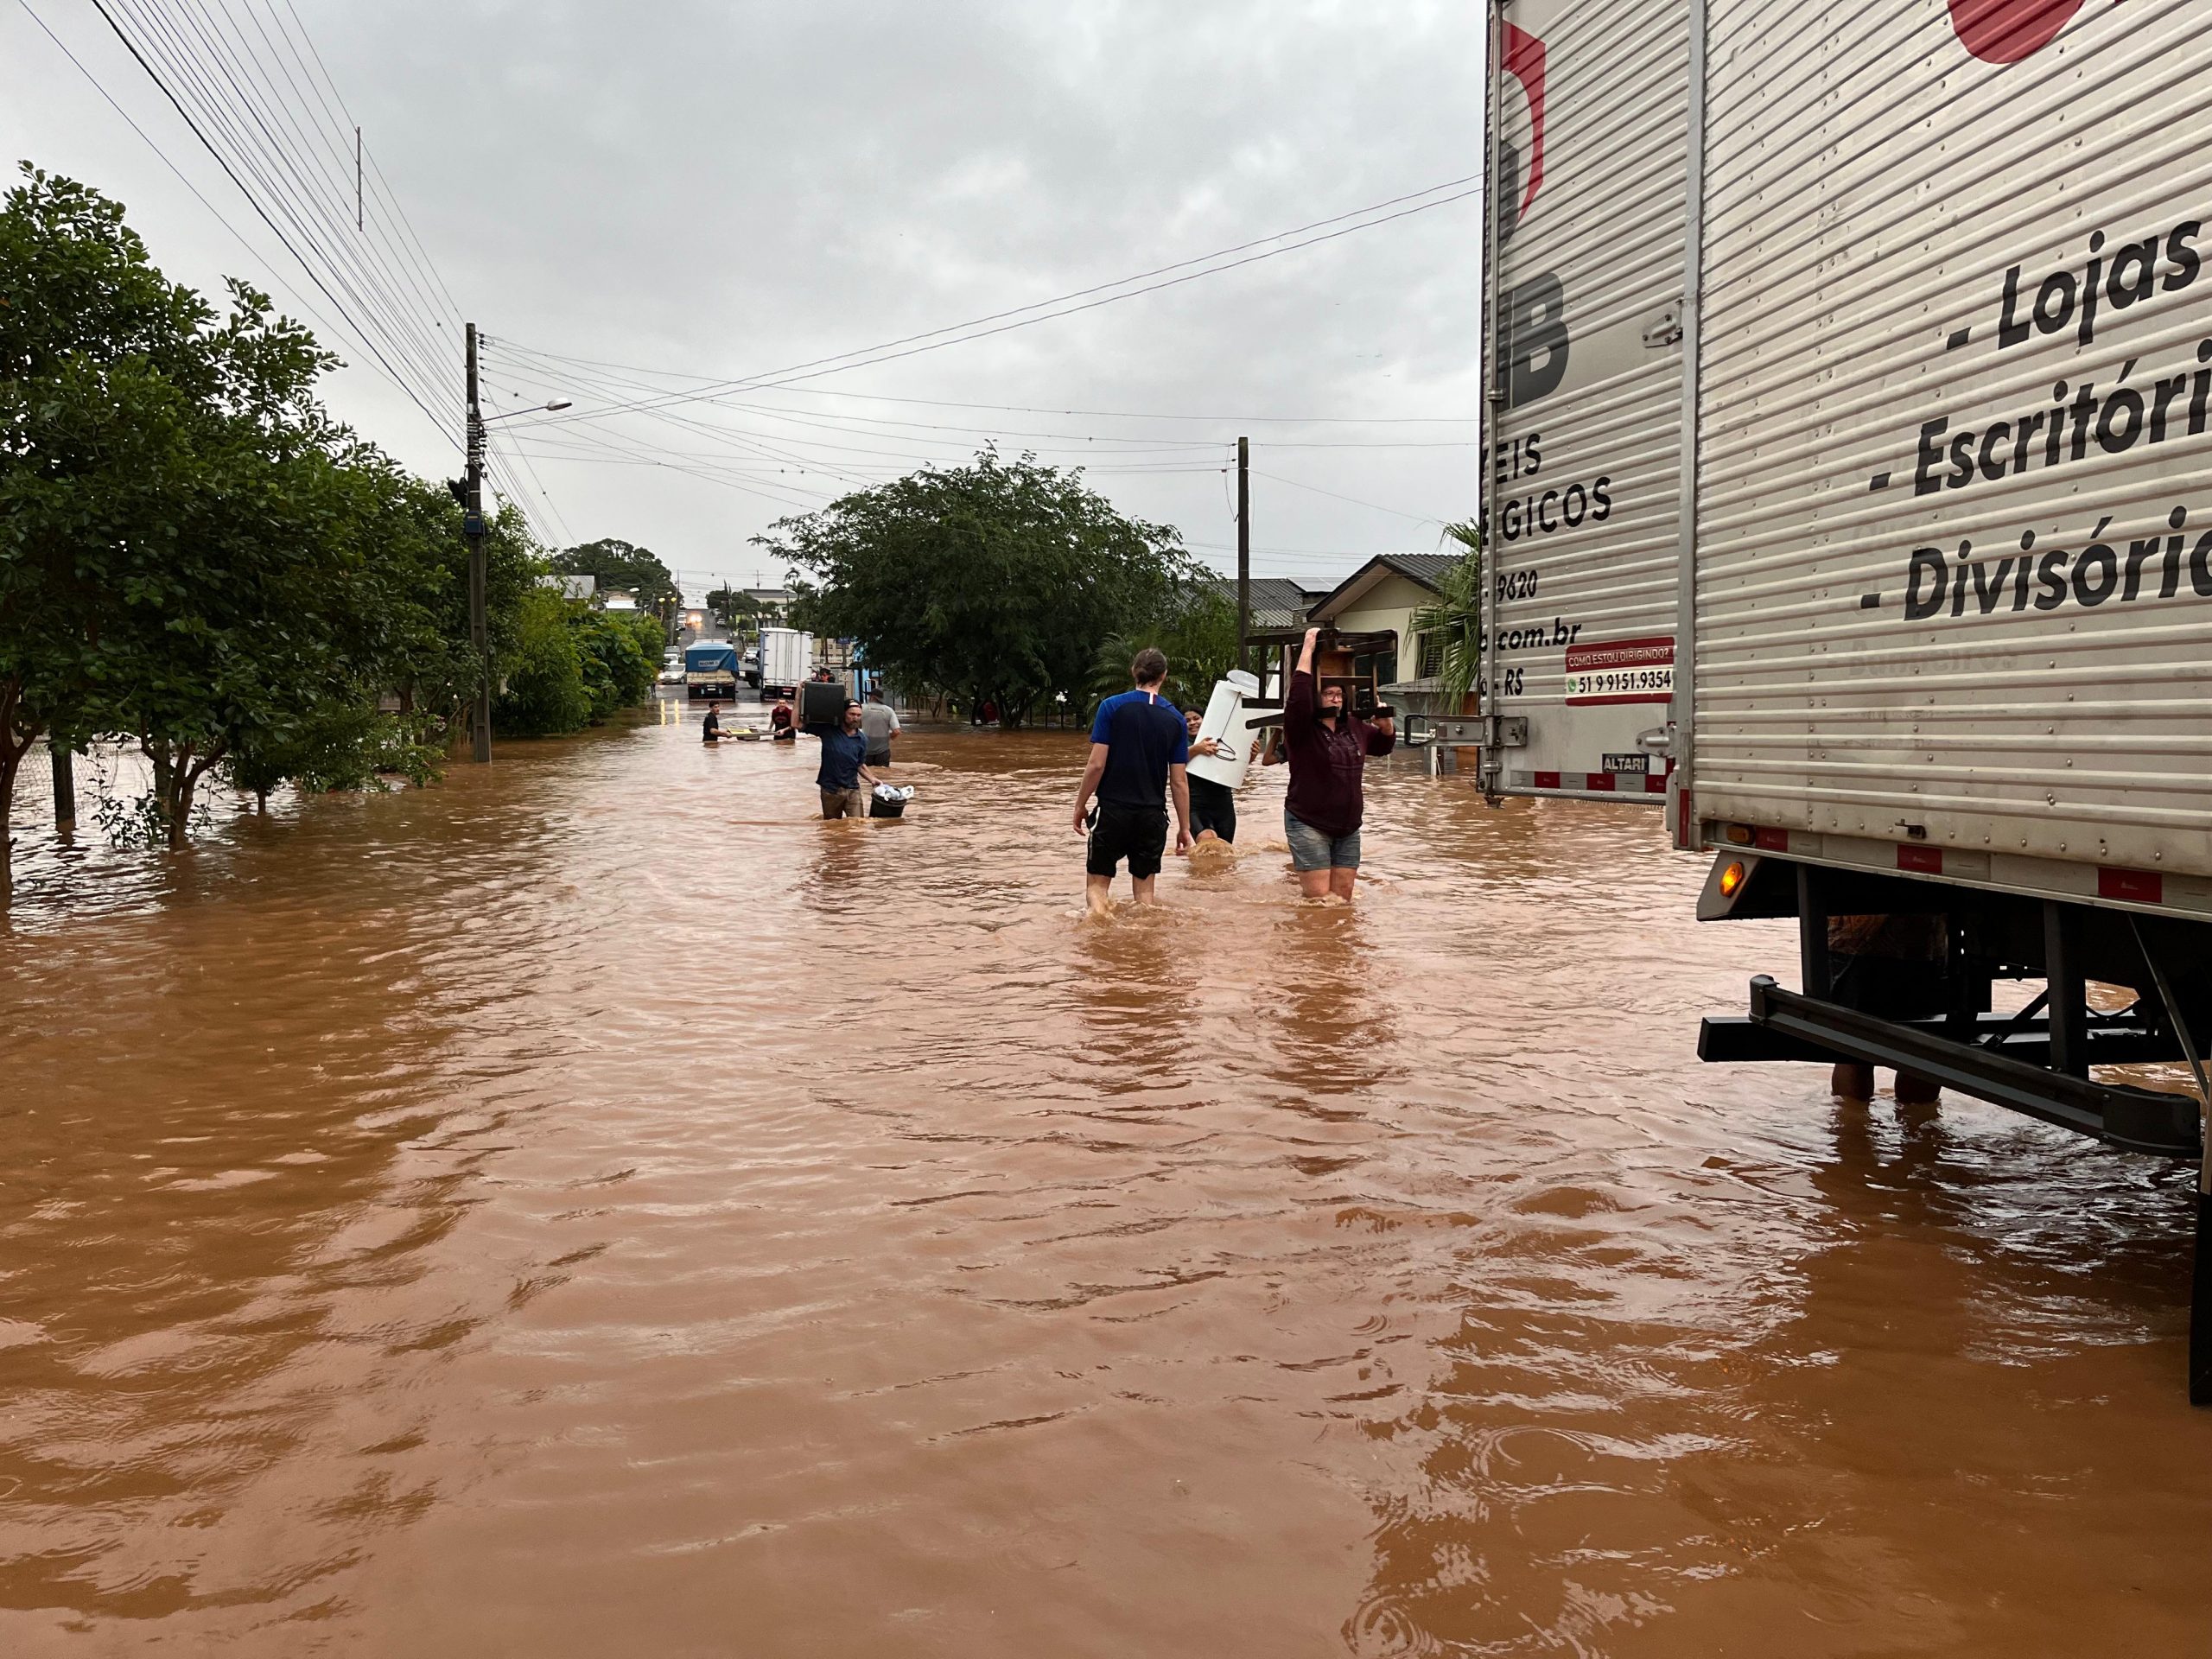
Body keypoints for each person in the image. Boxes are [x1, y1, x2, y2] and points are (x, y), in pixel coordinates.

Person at [1071, 647, 1192, 914]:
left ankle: (1098, 927)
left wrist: (1080, 805)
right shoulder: (1176, 720)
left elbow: (1096, 764)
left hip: (1113, 810)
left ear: (1133, 671)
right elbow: (1179, 782)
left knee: (1097, 887)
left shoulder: (1112, 707)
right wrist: (1185, 827)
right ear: (1164, 675)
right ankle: (1143, 936)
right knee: (1145, 898)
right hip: (1152, 815)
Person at [1281, 626, 1395, 903]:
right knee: (1320, 901)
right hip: (1308, 823)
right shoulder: (1302, 728)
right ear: (1316, 697)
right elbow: (1298, 697)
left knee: (1343, 900)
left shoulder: (1353, 727)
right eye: (1329, 693)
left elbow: (1381, 747)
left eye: (1340, 694)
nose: (1336, 698)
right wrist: (1308, 646)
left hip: (1348, 827)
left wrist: (1387, 728)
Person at [1181, 706, 1258, 845]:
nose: (1192, 723)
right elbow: (1173, 761)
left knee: (1225, 851)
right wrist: (1197, 749)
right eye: (1187, 721)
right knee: (1207, 841)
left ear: (1205, 719)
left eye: (1196, 718)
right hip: (1196, 805)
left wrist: (1251, 755)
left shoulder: (1222, 740)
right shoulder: (1179, 743)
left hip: (1224, 804)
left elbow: (1237, 764)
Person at [804, 696, 883, 819]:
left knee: (858, 825)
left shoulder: (862, 739)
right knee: (832, 826)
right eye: (852, 714)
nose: (855, 718)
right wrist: (799, 695)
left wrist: (872, 779)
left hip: (853, 789)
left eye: (858, 715)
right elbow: (796, 724)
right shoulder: (828, 731)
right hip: (830, 790)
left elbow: (860, 764)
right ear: (843, 714)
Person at [860, 686, 901, 770]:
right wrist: (888, 738)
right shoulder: (889, 710)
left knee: (865, 773)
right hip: (883, 751)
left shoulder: (861, 708)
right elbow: (897, 731)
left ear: (872, 697)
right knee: (883, 774)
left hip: (865, 750)